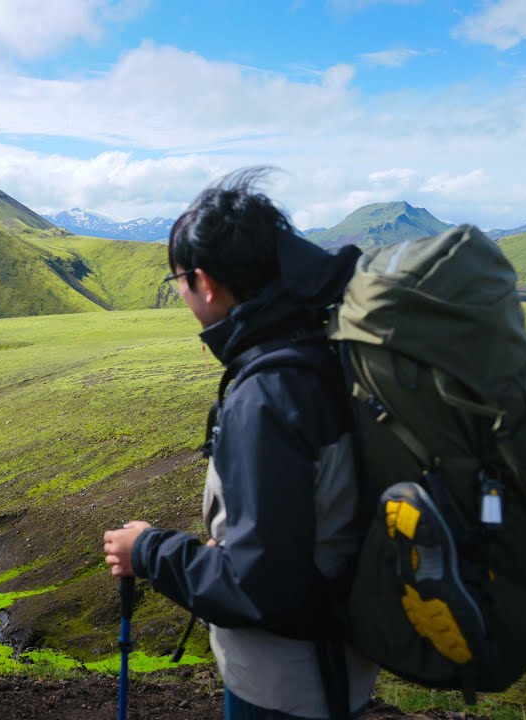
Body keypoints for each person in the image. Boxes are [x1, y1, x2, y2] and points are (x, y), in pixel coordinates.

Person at [102, 168, 377, 720]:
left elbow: (260, 587)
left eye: (177, 282)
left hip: (286, 684)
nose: (181, 294)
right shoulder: (318, 354)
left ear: (204, 283)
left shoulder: (267, 395)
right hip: (334, 669)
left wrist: (148, 550)